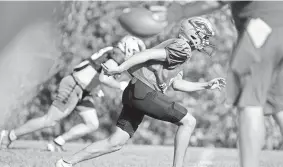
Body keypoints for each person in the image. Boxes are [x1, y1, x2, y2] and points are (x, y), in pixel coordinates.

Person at [55, 17, 226, 167]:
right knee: (188, 121)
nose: (205, 41)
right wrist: (119, 68)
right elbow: (146, 54)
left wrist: (206, 85)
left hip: (135, 91)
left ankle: (65, 163)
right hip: (143, 91)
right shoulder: (183, 47)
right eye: (204, 37)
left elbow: (177, 84)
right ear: (193, 33)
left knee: (115, 142)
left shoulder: (179, 49)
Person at [150, 1, 283, 167]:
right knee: (279, 106)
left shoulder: (180, 46)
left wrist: (179, 11)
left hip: (262, 27)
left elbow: (215, 1)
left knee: (250, 104)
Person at [0, 35, 146, 152]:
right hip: (75, 85)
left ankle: (57, 142)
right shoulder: (117, 54)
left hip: (84, 90)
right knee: (49, 120)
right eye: (135, 53)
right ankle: (8, 136)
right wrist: (120, 86)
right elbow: (103, 77)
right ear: (129, 49)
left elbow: (95, 70)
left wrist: (97, 88)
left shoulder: (112, 51)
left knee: (92, 124)